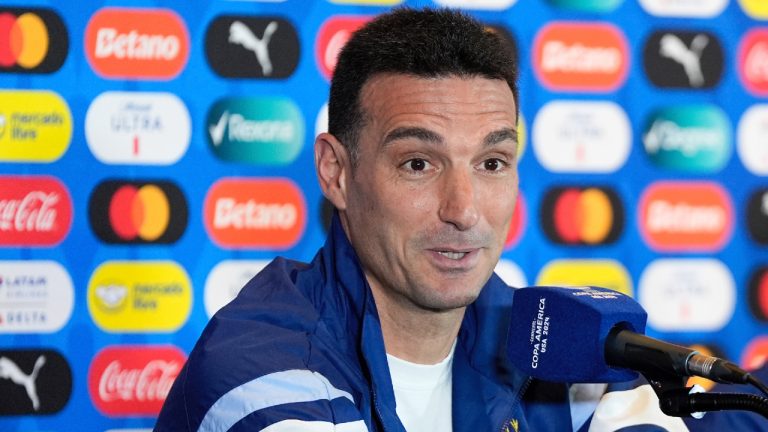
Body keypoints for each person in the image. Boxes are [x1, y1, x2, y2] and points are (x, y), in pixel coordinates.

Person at [155, 7, 694, 431]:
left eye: (491, 163)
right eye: (418, 164)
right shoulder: (266, 370)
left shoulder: (558, 342)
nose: (463, 210)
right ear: (336, 172)